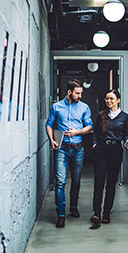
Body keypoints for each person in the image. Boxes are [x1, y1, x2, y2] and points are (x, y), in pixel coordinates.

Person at [45, 79, 93, 228]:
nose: (80, 96)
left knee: (76, 180)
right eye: (77, 93)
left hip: (78, 149)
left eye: (81, 93)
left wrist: (76, 132)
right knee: (60, 181)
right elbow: (49, 124)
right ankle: (60, 214)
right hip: (61, 148)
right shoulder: (56, 107)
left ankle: (73, 206)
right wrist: (51, 140)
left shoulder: (84, 107)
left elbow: (89, 127)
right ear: (69, 92)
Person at [90, 89, 128, 224]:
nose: (108, 101)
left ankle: (106, 213)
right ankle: (96, 213)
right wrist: (94, 145)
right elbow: (95, 132)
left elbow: (126, 134)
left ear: (118, 100)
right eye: (106, 99)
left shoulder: (124, 117)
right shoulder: (101, 115)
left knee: (111, 183)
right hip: (101, 150)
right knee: (99, 182)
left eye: (111, 99)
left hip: (115, 150)